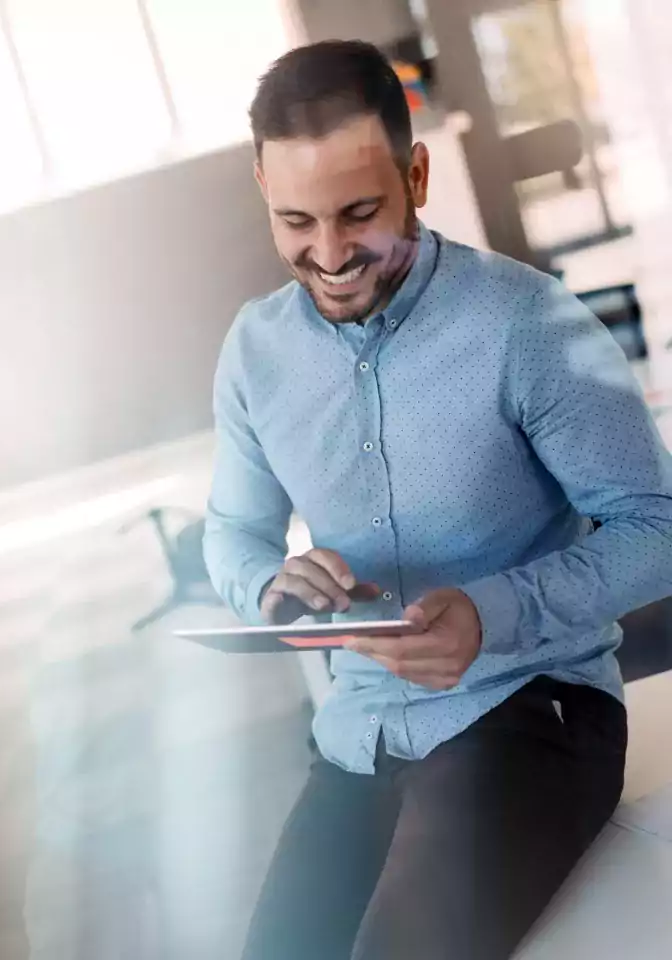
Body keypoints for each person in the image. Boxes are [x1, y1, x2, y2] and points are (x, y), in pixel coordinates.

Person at [203, 39, 672, 960]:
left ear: (415, 176)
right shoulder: (255, 353)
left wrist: (492, 613)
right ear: (262, 186)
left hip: (533, 713)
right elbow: (233, 533)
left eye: (359, 214)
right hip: (361, 736)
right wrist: (268, 587)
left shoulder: (530, 324)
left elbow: (658, 528)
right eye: (295, 219)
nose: (329, 254)